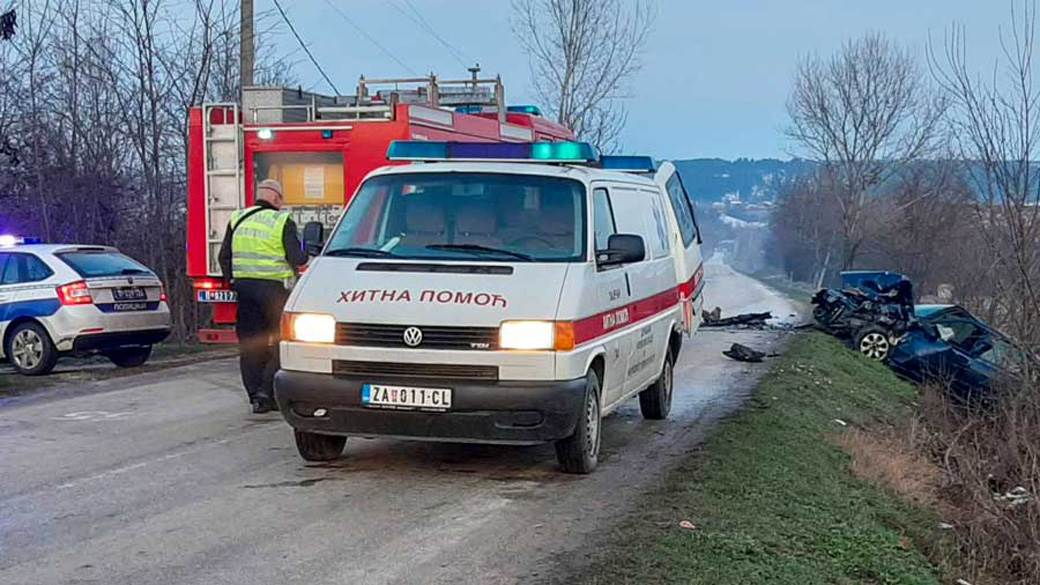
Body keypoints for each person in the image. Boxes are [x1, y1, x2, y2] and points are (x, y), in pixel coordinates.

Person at [218, 179, 308, 413]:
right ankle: (268, 391)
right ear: (277, 198)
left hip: (245, 291)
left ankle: (255, 396)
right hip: (275, 292)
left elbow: (224, 256)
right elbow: (296, 258)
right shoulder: (281, 221)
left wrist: (232, 281)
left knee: (250, 344)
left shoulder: (238, 218)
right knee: (283, 342)